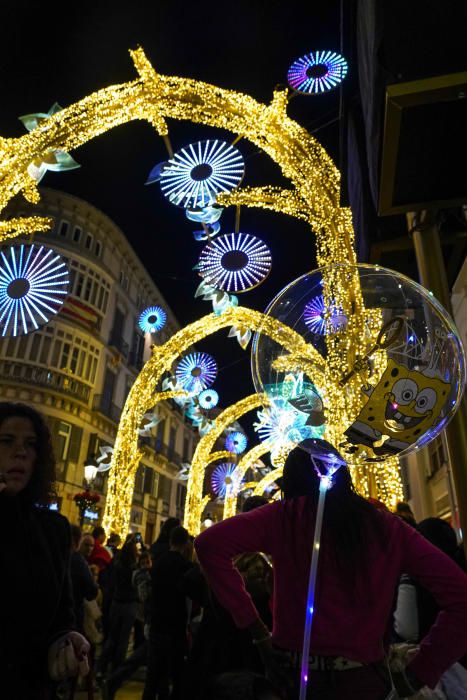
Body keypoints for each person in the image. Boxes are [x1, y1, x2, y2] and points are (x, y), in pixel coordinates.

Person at [195, 447, 467, 700]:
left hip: (296, 676)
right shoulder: (385, 526)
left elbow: (209, 544)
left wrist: (256, 630)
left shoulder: (286, 516)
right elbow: (461, 595)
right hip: (365, 680)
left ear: (289, 483)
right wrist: (422, 670)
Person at [0, 401, 90, 699]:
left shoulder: (53, 529)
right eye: (7, 441)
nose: (21, 452)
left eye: (31, 444)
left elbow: (61, 613)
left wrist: (67, 640)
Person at [143, 525, 194, 700]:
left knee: (153, 676)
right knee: (177, 674)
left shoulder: (158, 562)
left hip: (157, 622)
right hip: (175, 627)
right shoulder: (185, 566)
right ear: (186, 543)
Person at [97, 536, 139, 675]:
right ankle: (116, 670)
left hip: (116, 602)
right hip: (129, 604)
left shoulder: (116, 564)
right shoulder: (134, 569)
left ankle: (101, 668)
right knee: (123, 639)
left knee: (112, 637)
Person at [70, 524, 98, 634]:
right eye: (86, 545)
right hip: (74, 612)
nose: (90, 548)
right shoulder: (80, 562)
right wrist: (94, 578)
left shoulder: (71, 558)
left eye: (92, 546)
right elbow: (91, 593)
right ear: (79, 543)